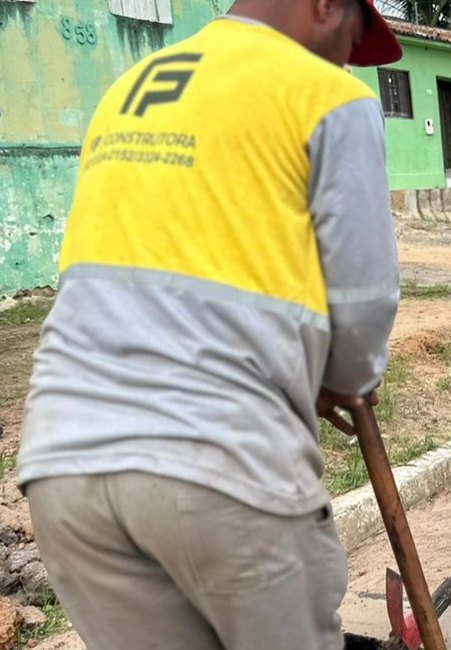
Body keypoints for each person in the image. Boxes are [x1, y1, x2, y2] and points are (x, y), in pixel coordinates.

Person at [17, 1, 402, 648]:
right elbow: (363, 300)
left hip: (65, 466)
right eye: (351, 40)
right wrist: (347, 379)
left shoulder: (130, 89)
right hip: (219, 463)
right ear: (327, 5)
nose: (346, 61)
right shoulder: (329, 96)